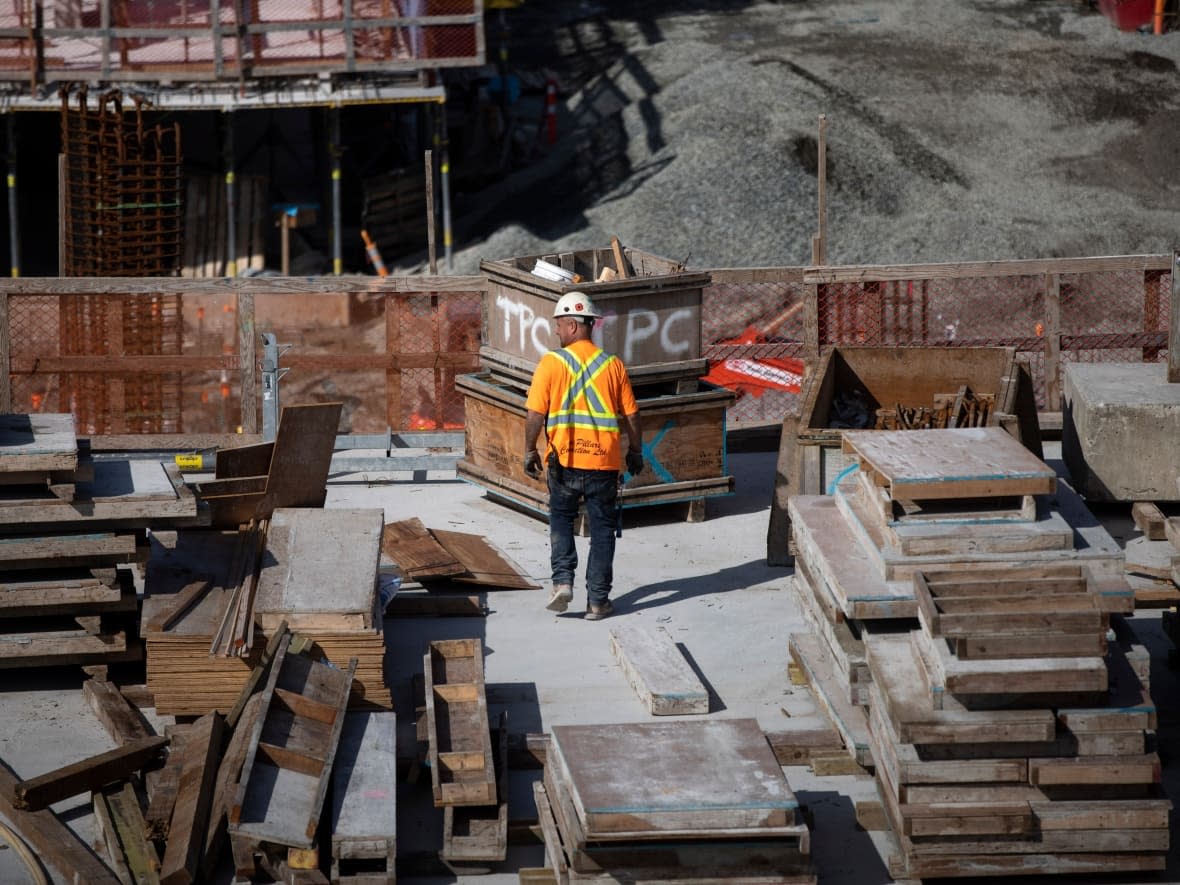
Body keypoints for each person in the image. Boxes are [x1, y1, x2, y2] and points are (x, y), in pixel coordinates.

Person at [523, 291, 643, 620]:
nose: (557, 331)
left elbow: (535, 415)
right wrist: (635, 451)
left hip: (562, 461)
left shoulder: (551, 363)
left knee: (561, 519)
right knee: (602, 530)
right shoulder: (613, 365)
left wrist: (529, 449)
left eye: (560, 324)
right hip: (603, 464)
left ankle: (562, 581)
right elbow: (632, 416)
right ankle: (598, 602)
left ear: (574, 325)